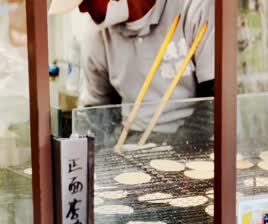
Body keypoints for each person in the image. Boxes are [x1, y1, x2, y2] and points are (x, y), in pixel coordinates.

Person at [48, 0, 214, 148]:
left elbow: (215, 106)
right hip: (132, 140)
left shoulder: (195, 6)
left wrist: (169, 151)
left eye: (88, 0)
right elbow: (96, 114)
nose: (83, 9)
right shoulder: (97, 34)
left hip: (196, 142)